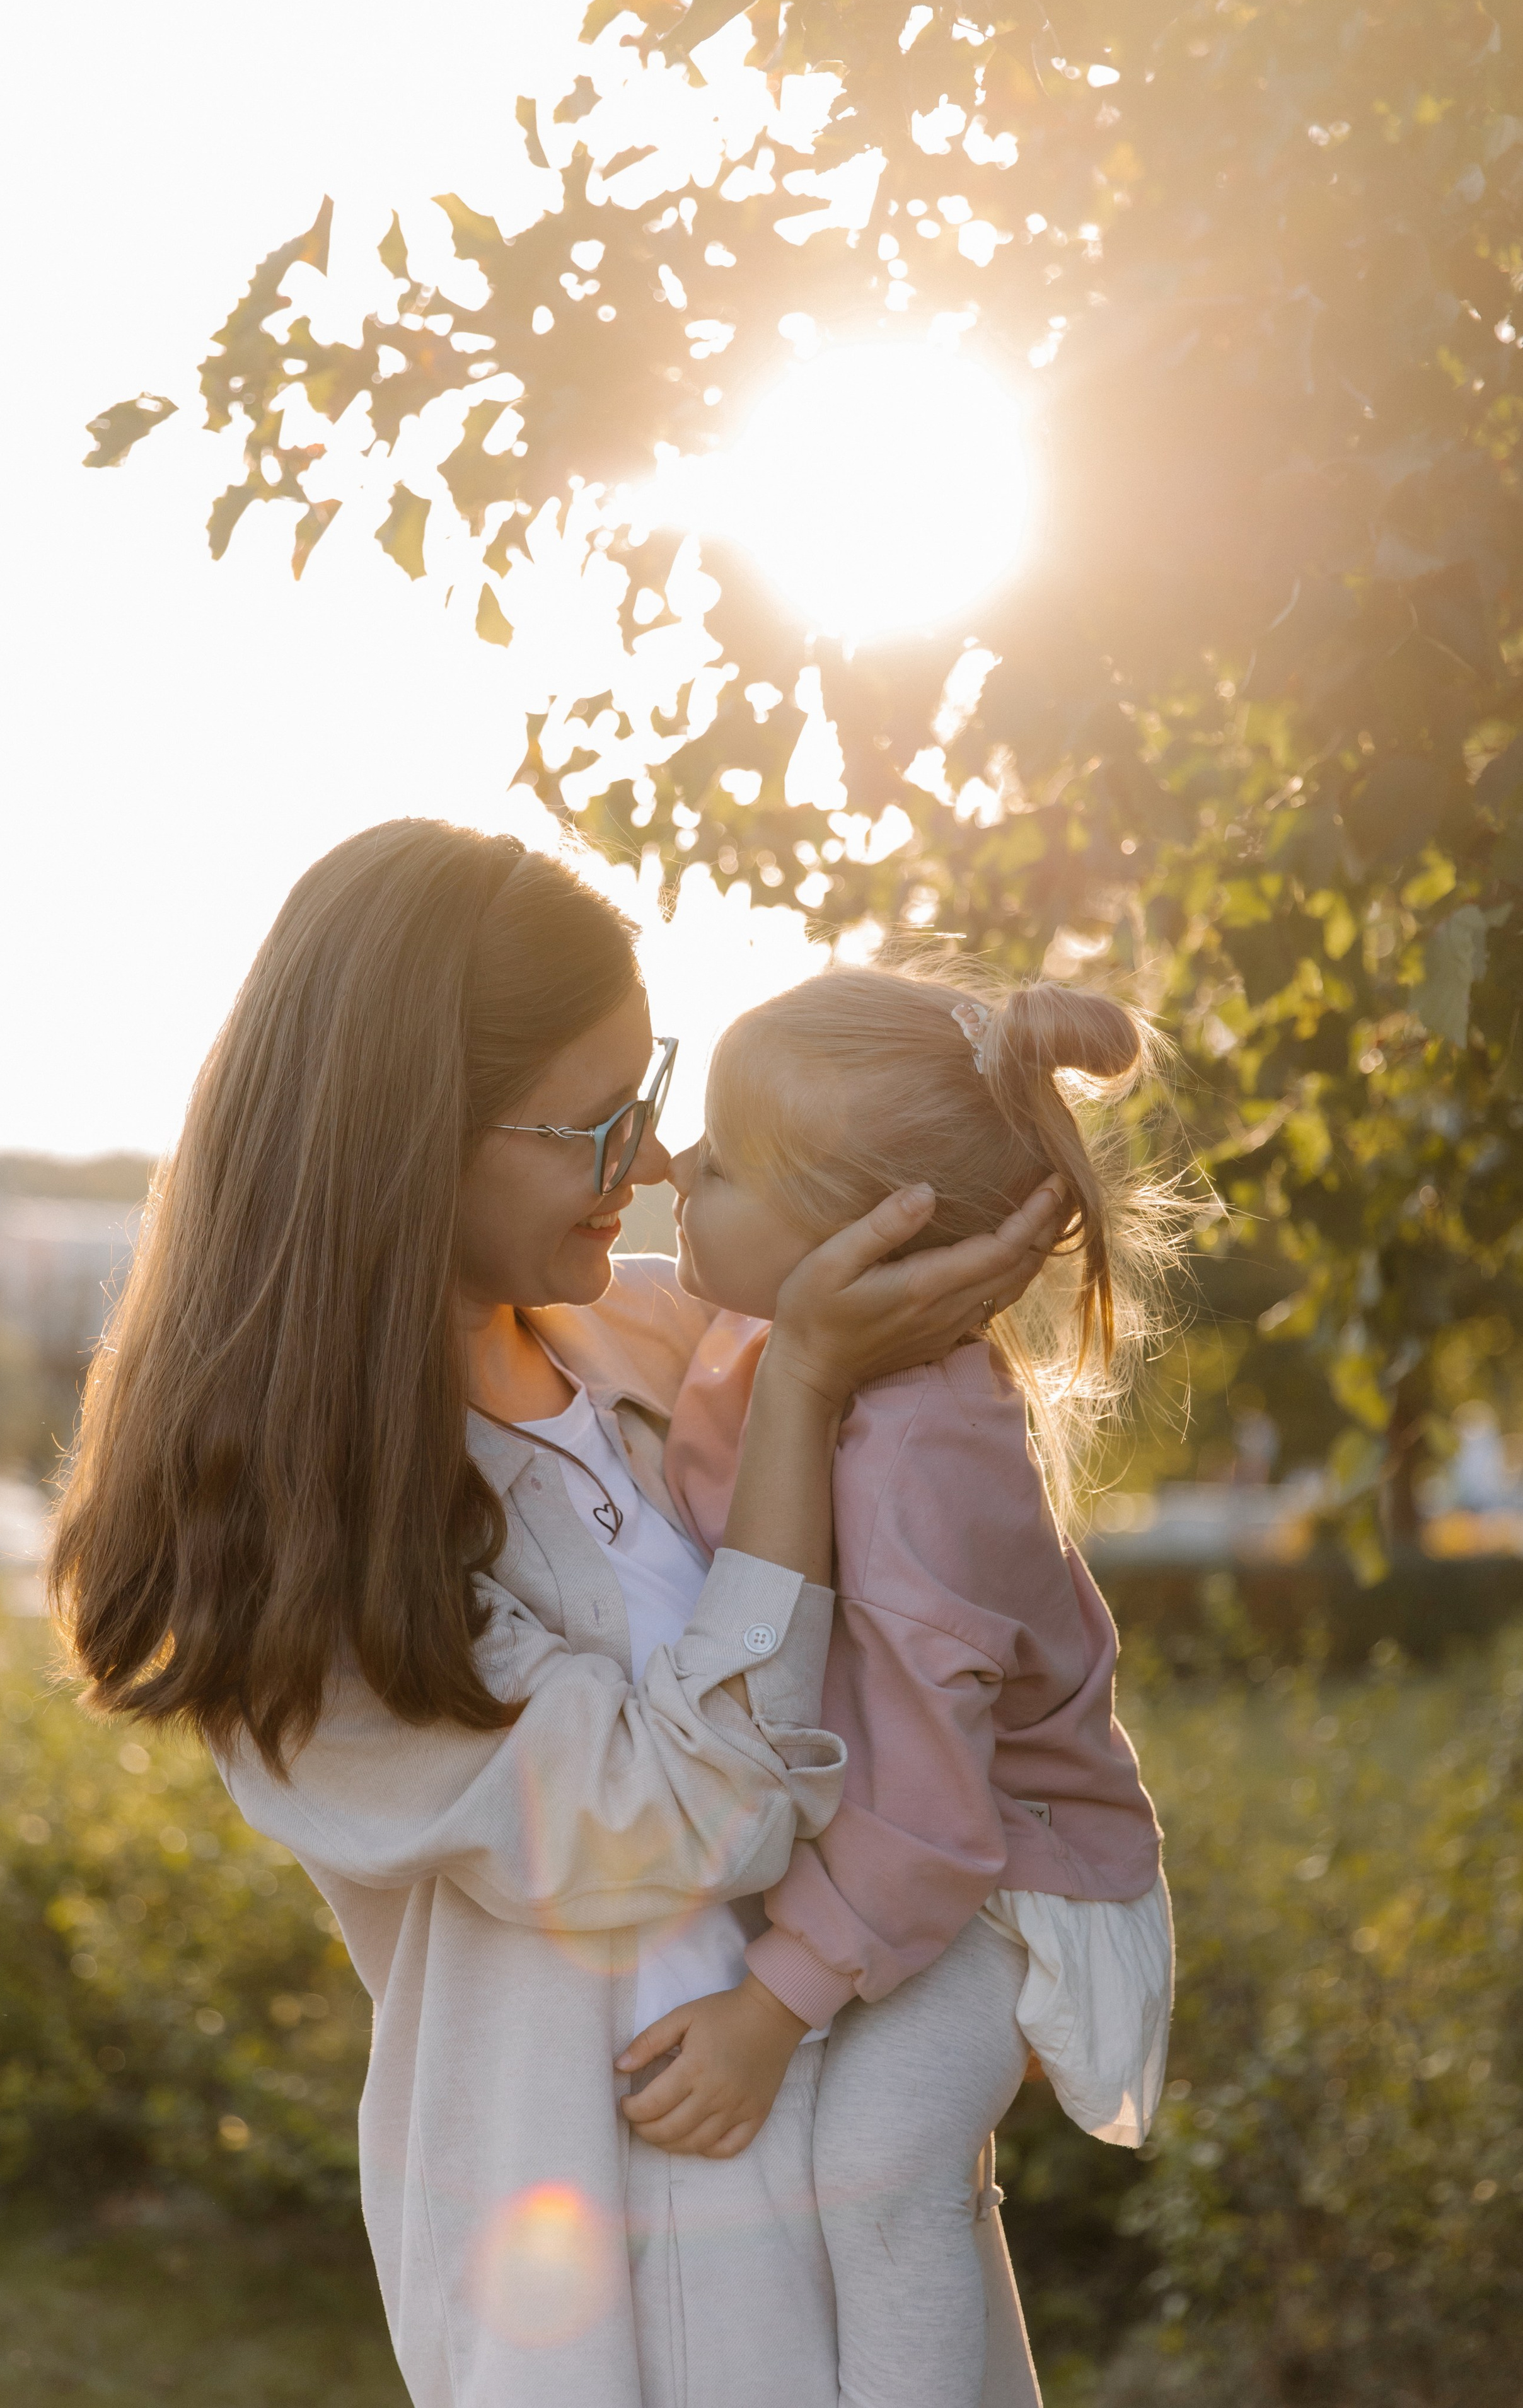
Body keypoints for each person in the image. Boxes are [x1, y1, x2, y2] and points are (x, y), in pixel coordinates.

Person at [47, 821, 1063, 2408]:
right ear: (410, 1142)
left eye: (644, 1104)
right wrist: (800, 1389)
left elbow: (954, 1615)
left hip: (876, 2225)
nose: (649, 1166)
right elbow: (693, 1823)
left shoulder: (659, 1348)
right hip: (621, 2275)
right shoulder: (297, 1563)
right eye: (597, 1127)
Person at [616, 963, 1178, 2408]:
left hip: (1003, 1874)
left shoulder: (926, 1461)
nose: (678, 1165)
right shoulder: (765, 1339)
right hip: (887, 1842)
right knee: (811, 2146)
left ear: (875, 1239)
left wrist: (769, 2003)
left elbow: (937, 1821)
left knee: (879, 2165)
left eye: (728, 1163)